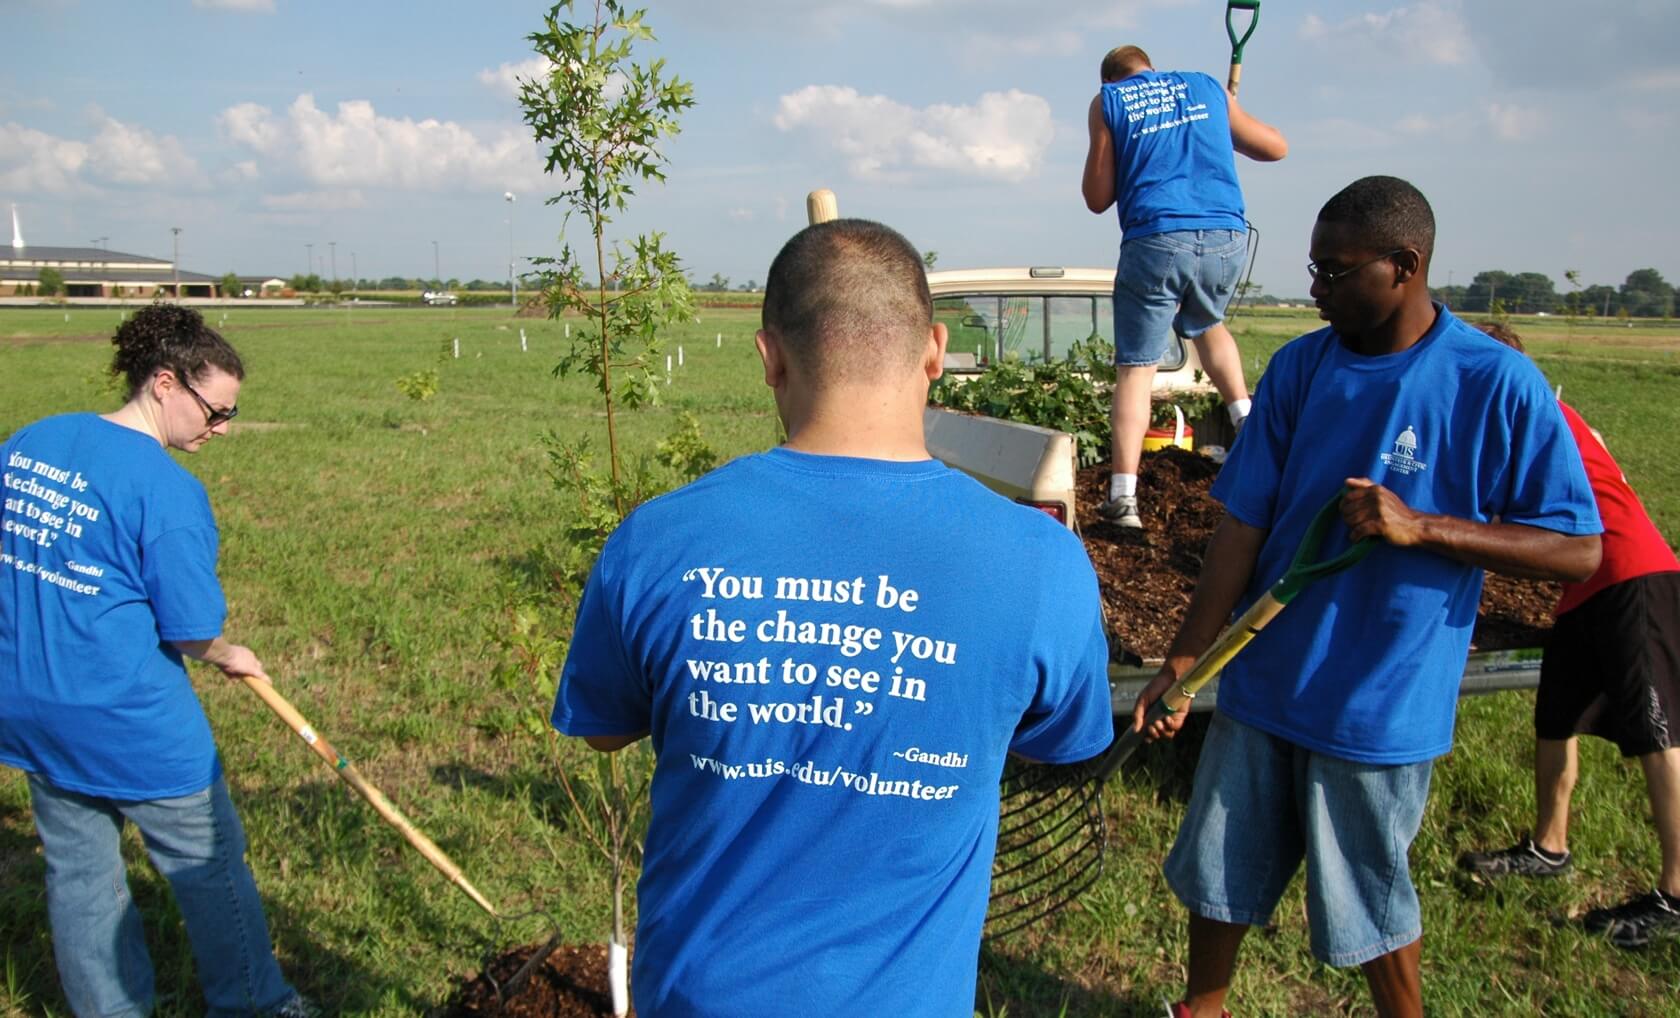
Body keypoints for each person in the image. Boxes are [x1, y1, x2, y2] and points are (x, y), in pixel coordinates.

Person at [551, 218, 1114, 1017]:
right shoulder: (1043, 562)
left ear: (769, 357)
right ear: (934, 352)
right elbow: (1062, 740)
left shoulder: (658, 538)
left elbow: (606, 727)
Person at [1130, 176, 1603, 1018]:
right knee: (1219, 866)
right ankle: (1203, 1009)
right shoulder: (1302, 368)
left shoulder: (1493, 383)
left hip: (1379, 699)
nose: (1315, 291)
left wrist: (1424, 529)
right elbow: (1243, 522)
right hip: (1266, 676)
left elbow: (1576, 548)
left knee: (1370, 896)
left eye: (1334, 272)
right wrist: (1184, 657)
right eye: (1312, 271)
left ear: (1405, 265)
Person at [0, 305, 314, 1018]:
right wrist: (234, 656)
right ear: (165, 383)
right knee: (209, 866)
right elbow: (190, 630)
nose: (223, 428)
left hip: (27, 708)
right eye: (215, 411)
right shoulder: (166, 490)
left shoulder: (30, 441)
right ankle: (258, 1005)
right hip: (128, 718)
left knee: (79, 873)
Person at [1458, 322, 1680, 949]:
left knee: (1657, 733)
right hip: (1583, 591)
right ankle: (1549, 847)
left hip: (1632, 576)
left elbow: (1488, 511)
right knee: (1556, 719)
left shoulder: (1535, 418)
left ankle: (1676, 893)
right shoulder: (1533, 416)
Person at [1080, 44, 1289, 529]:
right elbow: (1276, 147)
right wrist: (1220, 119)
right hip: (1226, 237)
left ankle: (1123, 500)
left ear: (1112, 80)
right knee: (1207, 322)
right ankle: (1248, 427)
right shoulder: (1205, 86)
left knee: (1136, 369)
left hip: (1157, 236)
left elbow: (1096, 197)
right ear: (1150, 66)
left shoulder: (1109, 101)